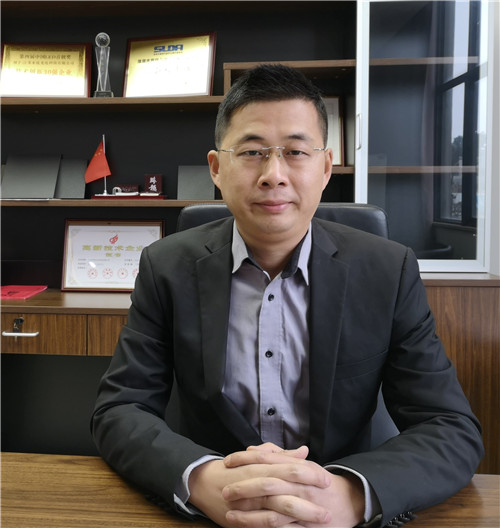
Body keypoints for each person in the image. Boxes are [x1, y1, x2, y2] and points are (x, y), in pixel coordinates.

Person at [91, 64, 483, 528]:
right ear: (216, 168)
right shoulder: (166, 266)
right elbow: (120, 409)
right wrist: (200, 479)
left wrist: (351, 494)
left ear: (325, 167)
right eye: (251, 152)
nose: (273, 175)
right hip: (216, 512)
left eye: (295, 152)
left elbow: (450, 427)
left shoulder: (387, 270)